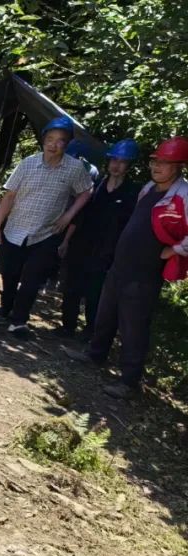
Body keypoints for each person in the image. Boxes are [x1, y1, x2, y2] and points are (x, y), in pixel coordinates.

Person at [64, 136, 188, 397]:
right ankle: (95, 354)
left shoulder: (183, 195)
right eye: (155, 161)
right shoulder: (149, 188)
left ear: (178, 167)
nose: (157, 167)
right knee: (106, 313)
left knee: (134, 325)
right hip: (121, 264)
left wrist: (174, 250)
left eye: (165, 163)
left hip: (145, 271)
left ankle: (129, 381)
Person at [0, 116, 94, 339]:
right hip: (16, 229)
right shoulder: (28, 163)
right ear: (43, 139)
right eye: (50, 139)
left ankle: (19, 321)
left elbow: (86, 191)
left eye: (60, 140)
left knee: (32, 278)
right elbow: (9, 196)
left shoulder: (74, 168)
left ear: (67, 144)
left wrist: (68, 215)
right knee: (10, 273)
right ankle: (6, 308)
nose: (53, 144)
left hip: (47, 233)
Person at [57, 139, 141, 338]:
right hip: (81, 245)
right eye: (114, 160)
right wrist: (66, 240)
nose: (116, 165)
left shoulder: (133, 193)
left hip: (108, 251)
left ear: (129, 165)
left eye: (122, 162)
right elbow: (79, 217)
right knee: (72, 287)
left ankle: (90, 331)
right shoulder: (94, 186)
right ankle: (67, 326)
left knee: (96, 292)